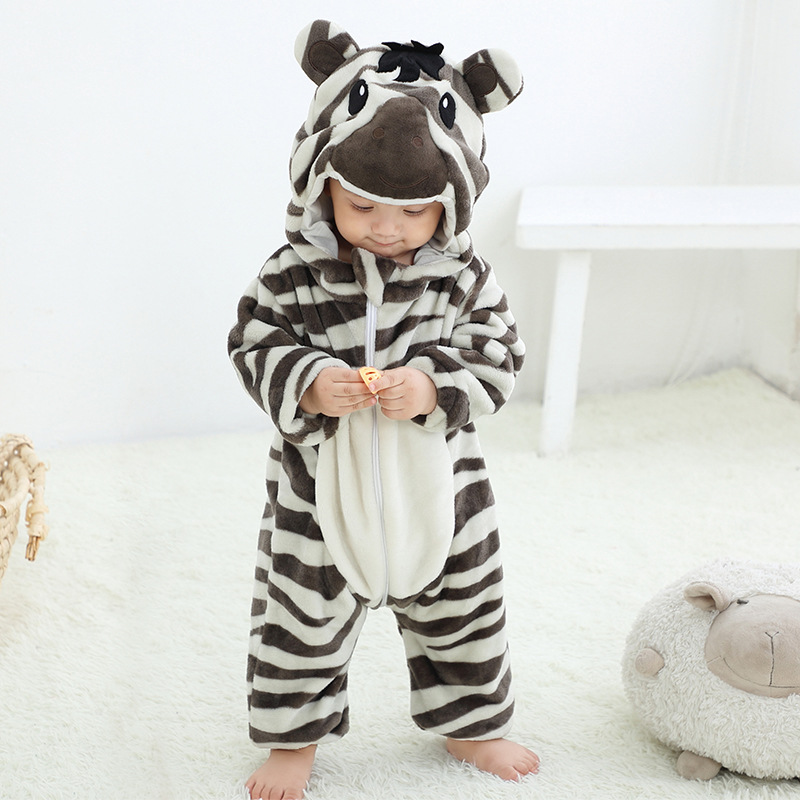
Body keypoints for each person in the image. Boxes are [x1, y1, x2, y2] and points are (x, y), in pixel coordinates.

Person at [228, 20, 538, 800]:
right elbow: (253, 338)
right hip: (315, 493)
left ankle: (472, 724)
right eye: (362, 204)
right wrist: (306, 380)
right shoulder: (291, 274)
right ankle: (292, 739)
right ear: (321, 182)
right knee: (297, 620)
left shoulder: (462, 280)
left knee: (466, 610)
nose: (386, 227)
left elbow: (501, 349)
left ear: (452, 203)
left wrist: (434, 386)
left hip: (443, 486)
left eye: (414, 210)